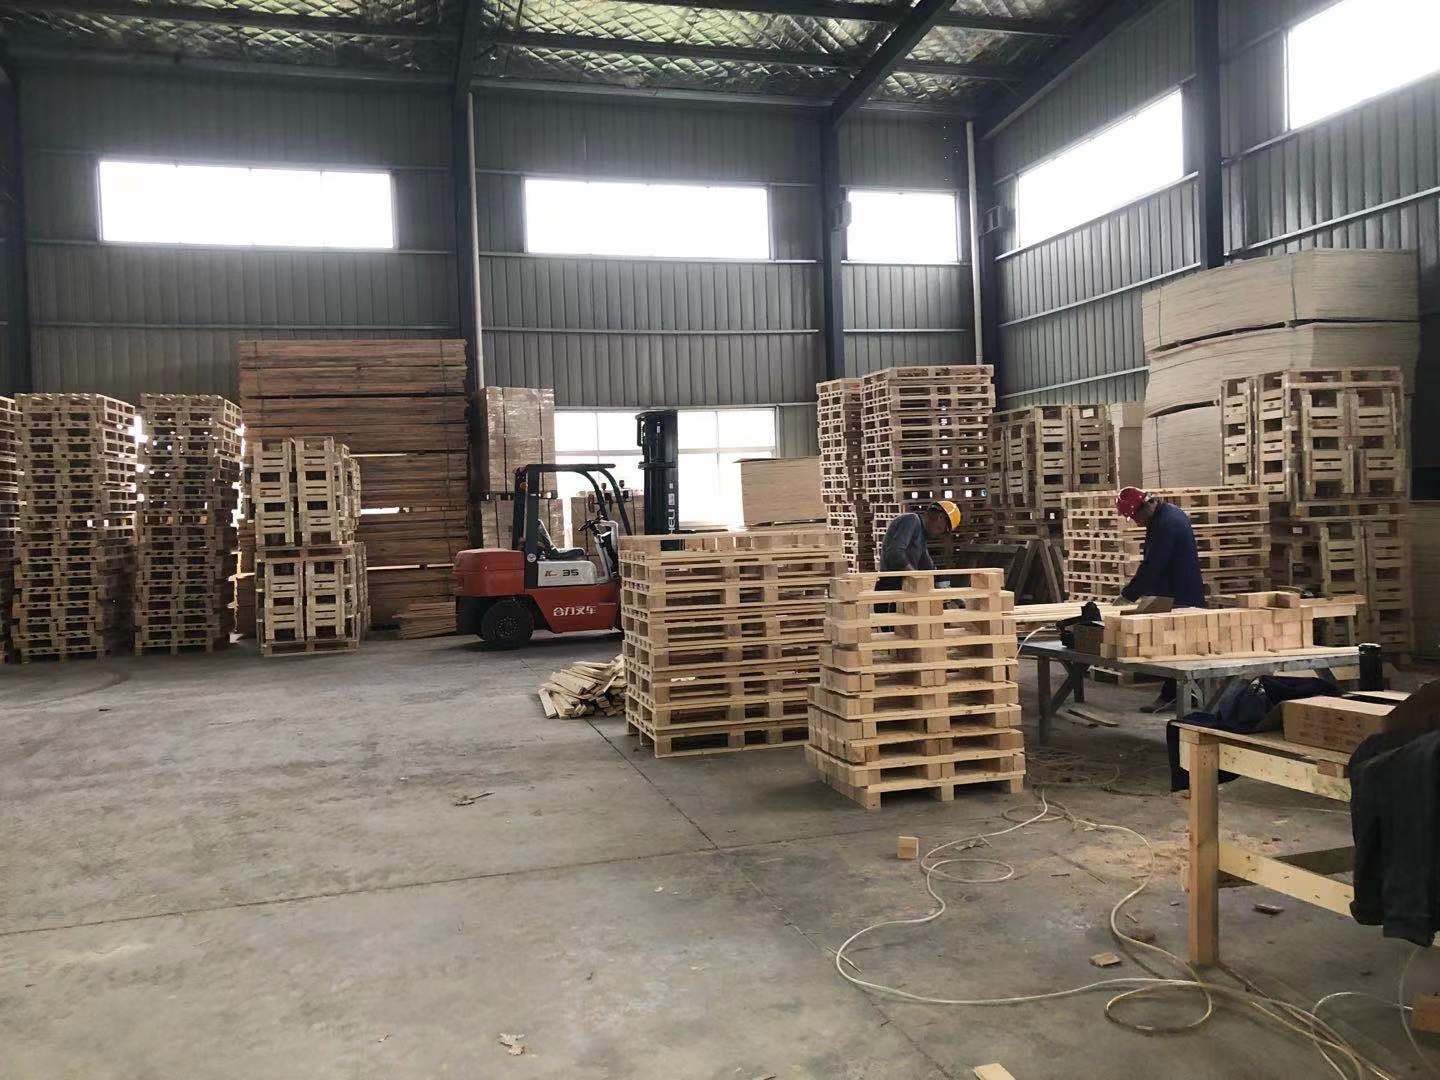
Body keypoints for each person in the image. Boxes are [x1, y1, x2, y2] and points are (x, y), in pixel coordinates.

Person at [1114, 486, 1205, 712]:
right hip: (1176, 590)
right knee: (1179, 648)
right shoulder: (1166, 514)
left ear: (1145, 507)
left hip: (1180, 594)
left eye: (1135, 517)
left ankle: (1176, 697)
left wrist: (1129, 595)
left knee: (1177, 647)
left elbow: (1153, 565)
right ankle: (1184, 695)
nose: (1136, 522)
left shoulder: (1166, 523)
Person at [879, 500, 962, 572]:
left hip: (903, 583)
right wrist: (915, 576)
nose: (939, 534)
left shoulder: (921, 535)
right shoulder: (912, 520)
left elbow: (926, 563)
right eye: (942, 529)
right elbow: (895, 554)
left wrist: (937, 576)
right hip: (891, 583)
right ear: (940, 517)